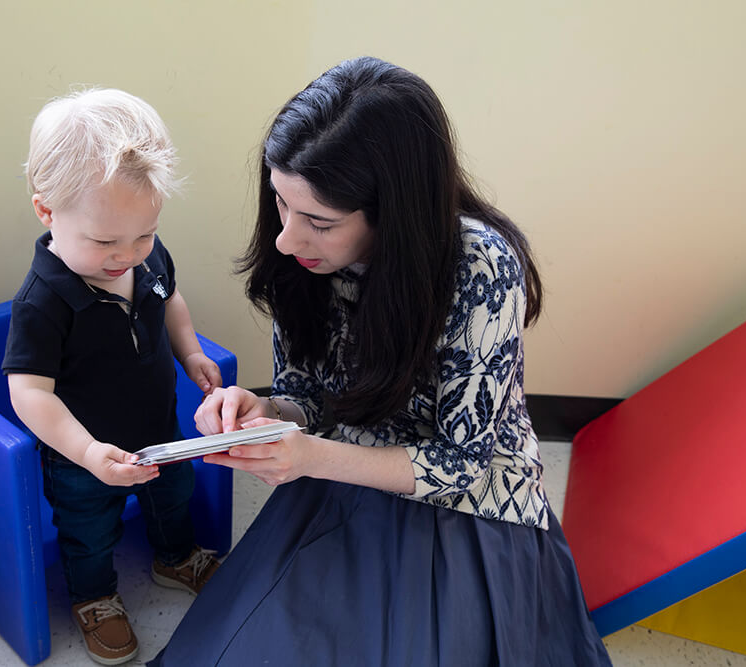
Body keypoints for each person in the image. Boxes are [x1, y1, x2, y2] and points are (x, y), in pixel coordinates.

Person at [150, 57, 612, 666]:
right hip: (341, 471)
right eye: (280, 205)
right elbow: (308, 395)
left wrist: (308, 455)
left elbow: (462, 466)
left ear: (395, 213)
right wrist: (265, 408)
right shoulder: (301, 258)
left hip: (464, 507)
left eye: (319, 222)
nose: (287, 240)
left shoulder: (478, 266)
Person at [2, 88, 223, 666]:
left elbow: (170, 298)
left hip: (158, 427)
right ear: (47, 211)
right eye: (104, 241)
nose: (127, 254)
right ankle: (95, 596)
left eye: (144, 234)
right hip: (83, 454)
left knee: (174, 497)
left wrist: (191, 352)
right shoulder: (43, 302)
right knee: (89, 528)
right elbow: (28, 392)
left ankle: (174, 557)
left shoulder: (146, 258)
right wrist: (87, 451)